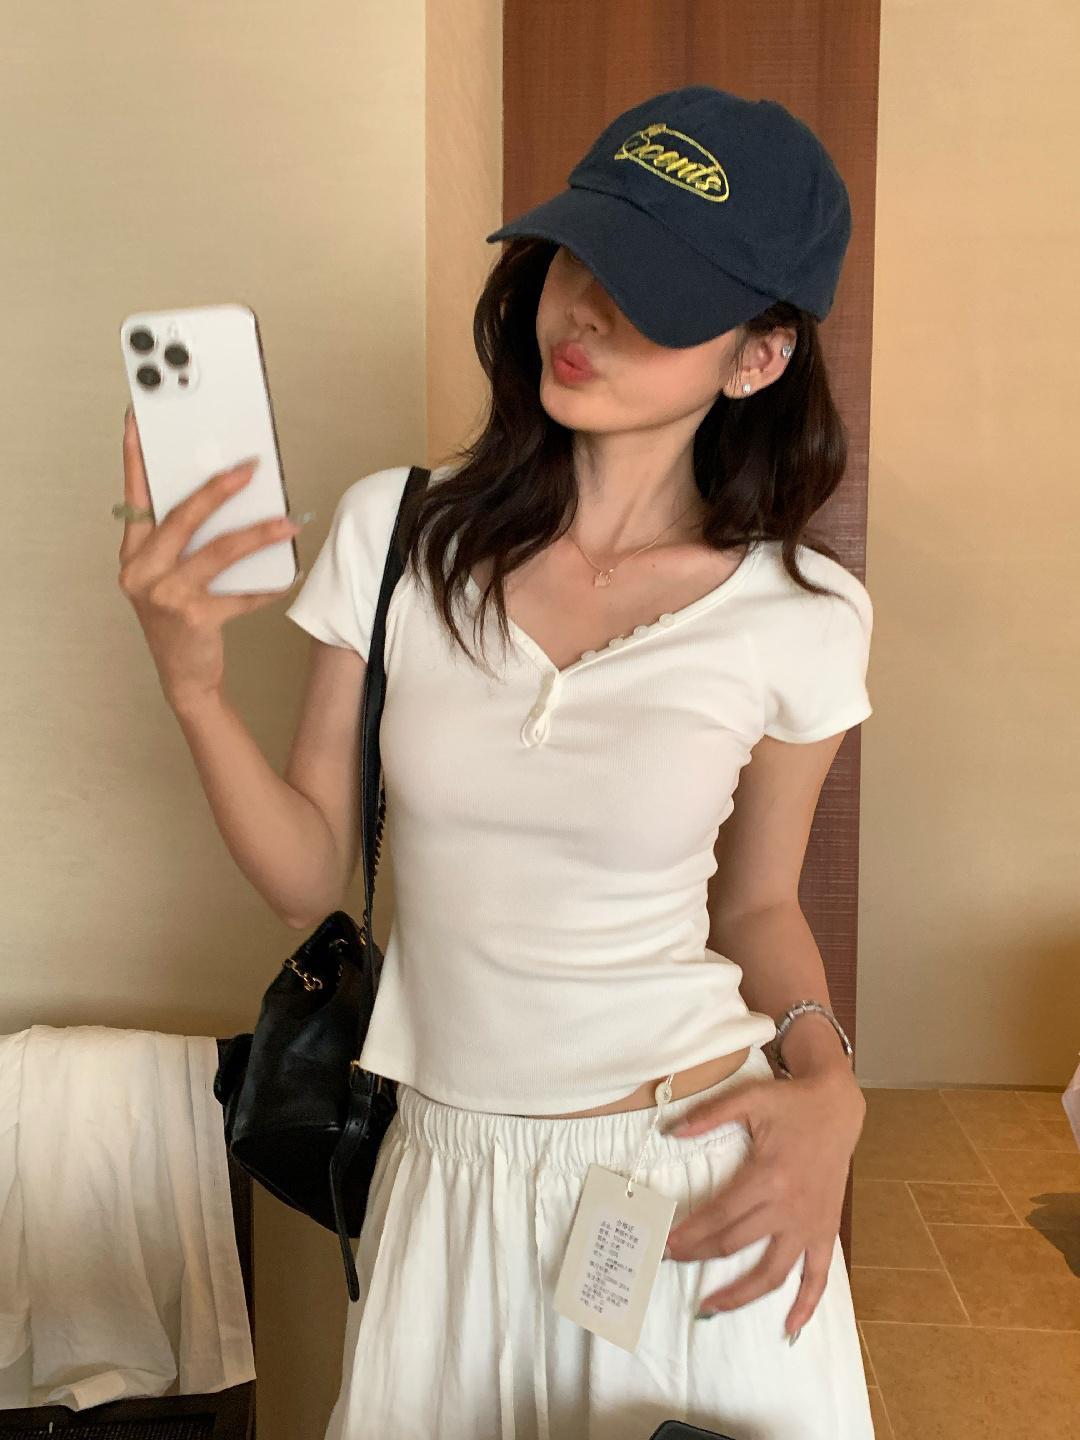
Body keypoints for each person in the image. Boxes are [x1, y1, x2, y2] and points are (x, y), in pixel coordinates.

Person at [116, 84, 876, 1440]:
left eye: (651, 292)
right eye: (579, 257)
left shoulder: (803, 614)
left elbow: (758, 905)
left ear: (758, 359)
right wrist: (192, 684)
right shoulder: (397, 536)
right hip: (446, 1173)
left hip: (689, 1164)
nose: (583, 311)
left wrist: (830, 1088)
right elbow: (309, 878)